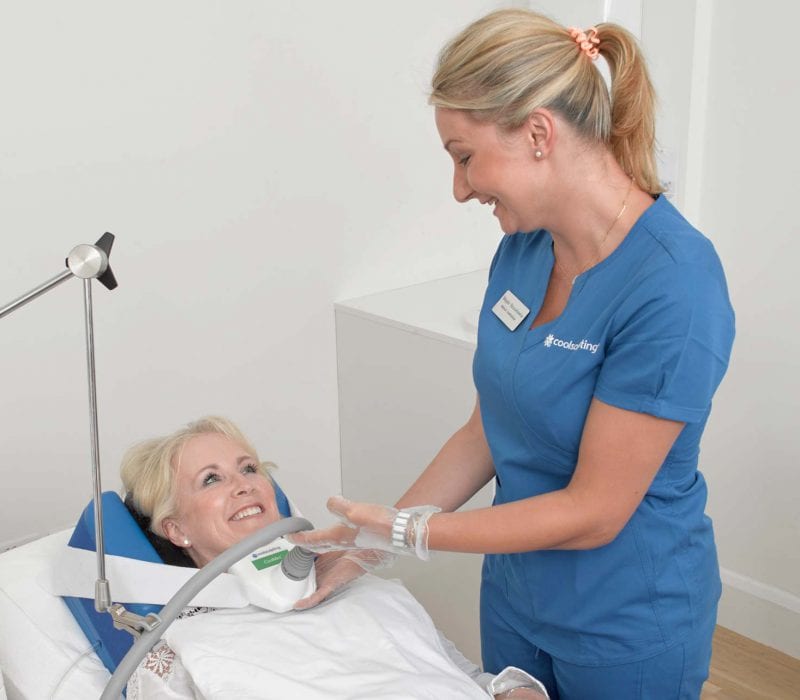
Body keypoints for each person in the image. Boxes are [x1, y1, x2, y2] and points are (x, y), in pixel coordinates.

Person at [289, 8, 736, 700]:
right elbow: (487, 431)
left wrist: (410, 533)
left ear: (537, 134)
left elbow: (595, 510)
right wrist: (365, 546)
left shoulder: (675, 284)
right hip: (515, 599)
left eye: (464, 156)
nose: (461, 188)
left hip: (625, 625)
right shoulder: (522, 251)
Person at [120, 416, 549, 699]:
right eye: (211, 479)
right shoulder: (182, 646)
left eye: (249, 469)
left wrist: (511, 693)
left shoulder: (363, 588)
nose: (243, 485)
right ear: (175, 529)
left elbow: (462, 677)